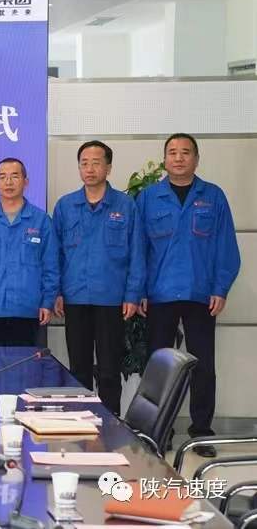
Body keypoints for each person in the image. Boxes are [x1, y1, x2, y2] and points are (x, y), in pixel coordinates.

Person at [137, 133, 240, 458]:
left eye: (185, 152)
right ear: (164, 160)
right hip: (160, 293)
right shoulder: (149, 198)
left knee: (203, 365)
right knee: (159, 366)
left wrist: (220, 288)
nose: (178, 158)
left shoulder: (213, 196)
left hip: (200, 293)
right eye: (172, 152)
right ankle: (158, 431)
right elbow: (138, 249)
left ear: (196, 159)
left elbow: (226, 247)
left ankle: (201, 431)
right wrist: (139, 290)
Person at [53, 140, 144, 415]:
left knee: (109, 370)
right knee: (78, 368)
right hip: (75, 297)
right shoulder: (65, 206)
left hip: (111, 298)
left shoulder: (125, 206)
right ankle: (79, 421)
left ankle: (110, 422)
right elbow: (55, 255)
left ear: (108, 167)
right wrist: (56, 292)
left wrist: (133, 294)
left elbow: (137, 252)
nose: (90, 169)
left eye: (96, 163)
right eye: (84, 163)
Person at [0, 158, 58, 346]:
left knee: (28, 364)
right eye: (3, 177)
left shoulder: (41, 221)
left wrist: (47, 302)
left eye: (14, 176)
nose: (8, 182)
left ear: (25, 182)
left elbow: (51, 266)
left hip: (29, 310)